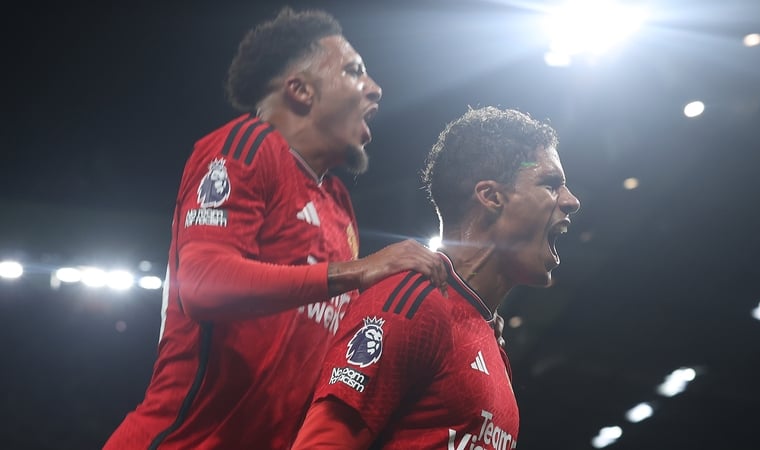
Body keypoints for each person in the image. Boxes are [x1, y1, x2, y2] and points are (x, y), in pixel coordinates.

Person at [103, 7, 449, 450]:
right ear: (301, 90)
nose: (375, 88)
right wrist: (358, 270)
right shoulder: (246, 145)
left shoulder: (339, 205)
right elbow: (202, 283)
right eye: (354, 71)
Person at [291, 106, 581, 449]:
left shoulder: (490, 341)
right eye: (550, 185)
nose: (571, 201)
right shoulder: (413, 303)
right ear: (492, 197)